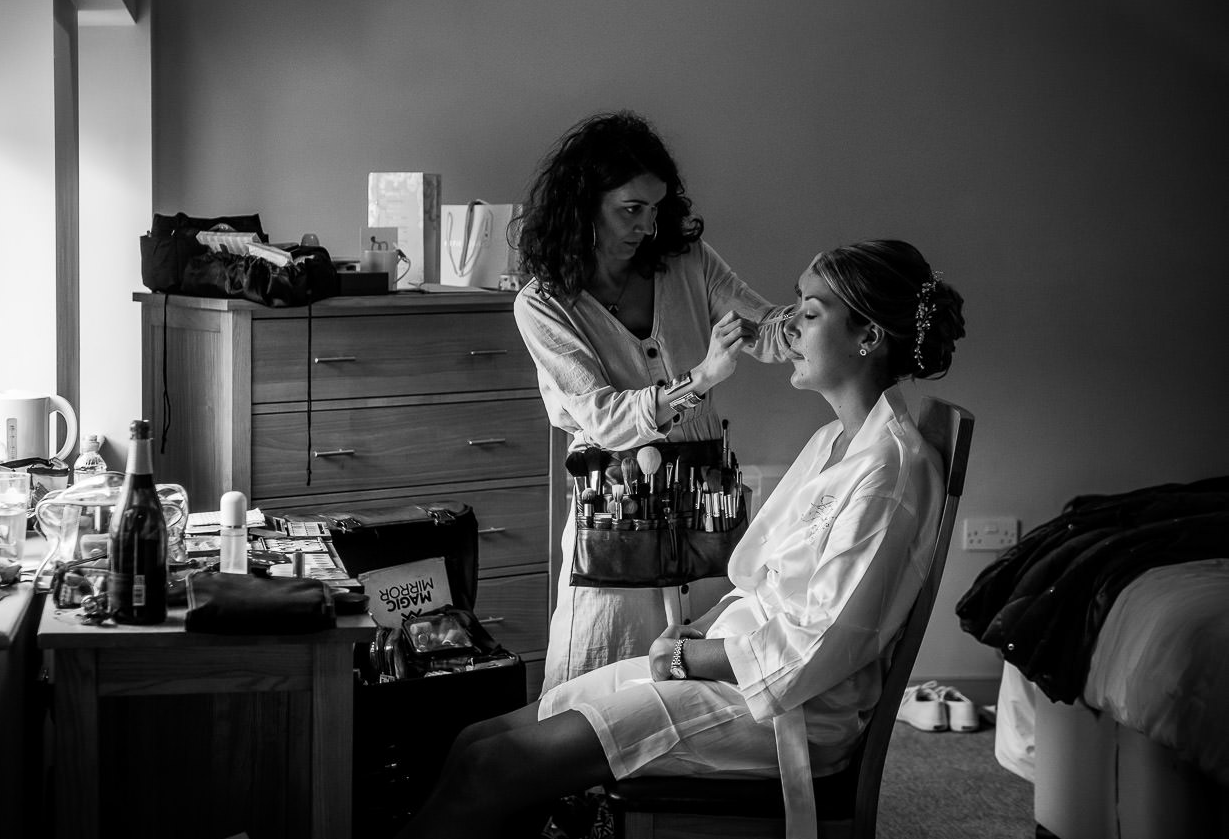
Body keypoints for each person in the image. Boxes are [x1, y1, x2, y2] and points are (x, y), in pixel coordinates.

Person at [394, 239, 966, 839]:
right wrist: (698, 627)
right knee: (479, 739)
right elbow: (766, 580)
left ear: (867, 337)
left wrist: (686, 657)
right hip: (728, 666)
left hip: (780, 710)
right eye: (795, 304)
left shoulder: (889, 473)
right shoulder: (833, 441)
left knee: (495, 763)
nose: (789, 323)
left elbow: (813, 650)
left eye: (811, 312)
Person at [510, 110, 793, 692]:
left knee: (700, 667)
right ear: (583, 203)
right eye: (630, 209)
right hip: (615, 508)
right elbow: (607, 421)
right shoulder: (543, 303)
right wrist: (701, 376)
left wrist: (820, 315)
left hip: (702, 499)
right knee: (598, 678)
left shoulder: (686, 260)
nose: (646, 225)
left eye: (656, 208)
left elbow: (761, 327)